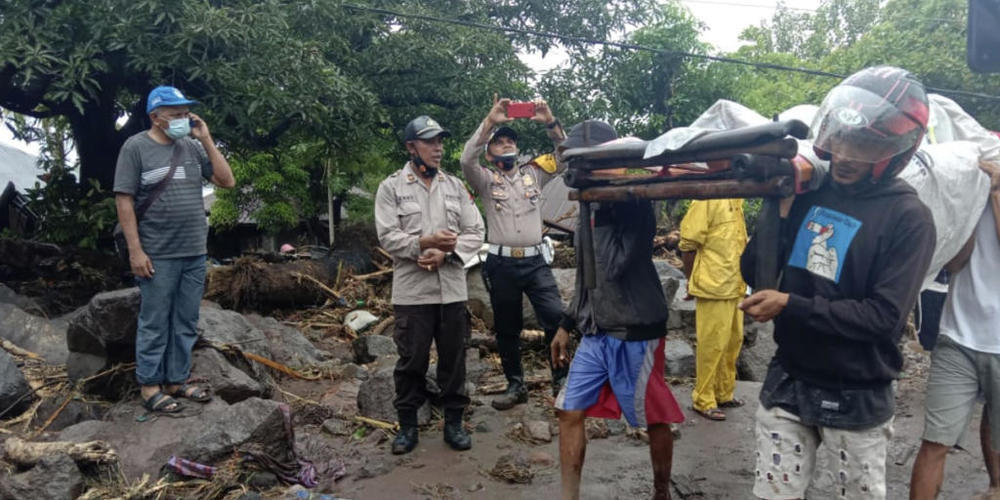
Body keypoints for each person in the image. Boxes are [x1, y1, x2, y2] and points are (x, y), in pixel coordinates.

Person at [739, 66, 936, 499]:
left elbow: (883, 318)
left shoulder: (909, 218)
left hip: (857, 390)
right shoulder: (811, 192)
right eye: (842, 139)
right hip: (789, 379)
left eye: (864, 144)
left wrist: (792, 305)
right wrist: (779, 212)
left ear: (897, 150)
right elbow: (754, 274)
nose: (846, 155)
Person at [550, 120, 685, 500]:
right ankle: (568, 496)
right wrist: (566, 323)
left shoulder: (635, 203)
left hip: (634, 327)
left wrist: (604, 204)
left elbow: (614, 265)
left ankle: (662, 491)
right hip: (596, 329)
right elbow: (585, 277)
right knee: (569, 411)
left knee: (651, 416)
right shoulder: (585, 208)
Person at [113, 85, 235, 413]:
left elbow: (227, 181)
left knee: (186, 319)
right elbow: (123, 200)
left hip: (194, 250)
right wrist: (136, 251)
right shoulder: (135, 148)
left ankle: (176, 380)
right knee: (155, 320)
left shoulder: (192, 147)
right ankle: (150, 386)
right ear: (155, 117)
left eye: (186, 112)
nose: (184, 118)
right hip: (157, 253)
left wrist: (206, 138)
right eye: (176, 113)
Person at [374, 115, 486, 455]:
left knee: (454, 359)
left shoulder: (454, 186)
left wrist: (447, 256)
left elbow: (475, 231)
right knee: (411, 360)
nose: (438, 148)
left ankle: (454, 422)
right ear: (411, 147)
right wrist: (423, 244)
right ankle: (407, 425)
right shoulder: (391, 187)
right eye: (430, 141)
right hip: (412, 292)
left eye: (440, 141)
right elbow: (387, 235)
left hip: (452, 288)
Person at [459, 96, 568, 410]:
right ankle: (515, 385)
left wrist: (550, 119)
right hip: (501, 264)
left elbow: (566, 157)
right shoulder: (484, 179)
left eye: (510, 140)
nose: (506, 144)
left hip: (536, 263)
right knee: (507, 328)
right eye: (499, 142)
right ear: (491, 152)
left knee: (555, 318)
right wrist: (491, 121)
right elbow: (467, 158)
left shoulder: (534, 173)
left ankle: (560, 382)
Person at [909, 160, 1000, 500]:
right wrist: (968, 208)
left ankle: (995, 487)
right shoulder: (976, 194)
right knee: (935, 441)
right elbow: (955, 263)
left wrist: (995, 192)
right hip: (957, 336)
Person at [679, 198, 748, 421]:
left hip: (735, 283)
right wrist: (691, 282)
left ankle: (723, 392)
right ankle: (703, 399)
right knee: (712, 344)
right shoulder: (705, 199)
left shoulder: (737, 199)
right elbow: (688, 245)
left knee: (732, 341)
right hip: (714, 285)